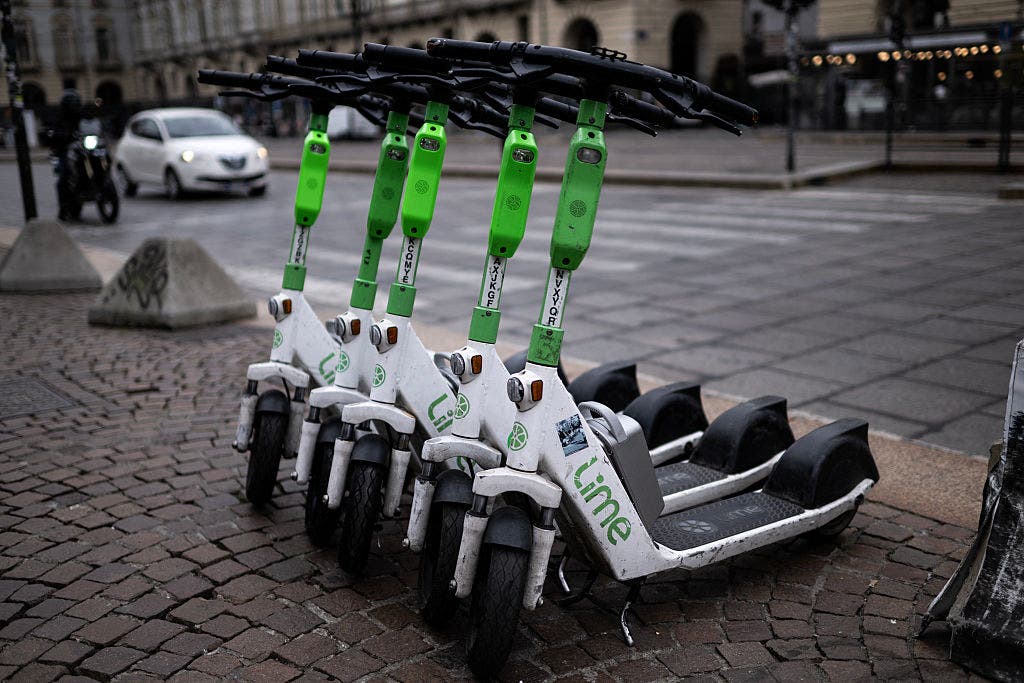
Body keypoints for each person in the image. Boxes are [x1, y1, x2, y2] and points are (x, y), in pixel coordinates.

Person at [49, 87, 83, 220]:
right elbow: (53, 133)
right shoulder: (59, 118)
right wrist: (62, 135)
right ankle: (63, 207)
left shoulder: (81, 115)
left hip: (82, 149)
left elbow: (91, 124)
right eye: (72, 103)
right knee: (63, 177)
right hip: (65, 151)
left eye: (75, 102)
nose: (74, 105)